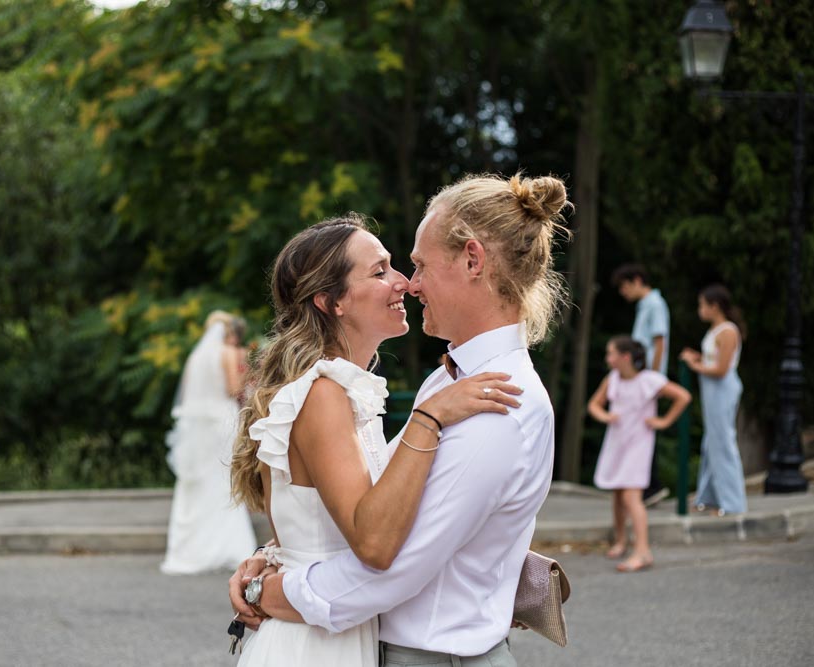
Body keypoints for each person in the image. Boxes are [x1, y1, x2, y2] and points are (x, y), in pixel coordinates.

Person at [231, 173, 571, 667]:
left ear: (473, 260)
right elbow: (368, 501)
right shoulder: (449, 385)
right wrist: (278, 554)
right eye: (388, 270)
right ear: (334, 303)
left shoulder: (499, 402)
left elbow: (390, 567)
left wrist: (266, 592)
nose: (409, 285)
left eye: (417, 266)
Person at [160, 310, 257, 575]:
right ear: (228, 332)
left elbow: (189, 396)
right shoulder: (227, 353)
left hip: (198, 428)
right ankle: (227, 545)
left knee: (198, 483)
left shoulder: (194, 357)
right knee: (224, 477)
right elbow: (233, 389)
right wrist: (251, 386)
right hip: (221, 423)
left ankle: (188, 549)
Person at [588, 336, 691, 573]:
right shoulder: (612, 379)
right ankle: (621, 540)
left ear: (625, 357)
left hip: (639, 442)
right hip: (617, 441)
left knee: (631, 496)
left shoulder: (649, 380)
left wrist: (664, 421)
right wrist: (605, 416)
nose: (607, 359)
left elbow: (683, 396)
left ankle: (643, 550)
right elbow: (595, 404)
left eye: (611, 353)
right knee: (617, 492)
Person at [679, 284, 748, 516]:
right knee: (711, 443)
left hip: (722, 390)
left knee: (724, 443)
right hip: (711, 391)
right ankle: (708, 497)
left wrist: (693, 365)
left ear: (714, 306)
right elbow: (712, 359)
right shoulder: (715, 330)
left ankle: (733, 502)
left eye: (702, 305)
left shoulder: (728, 331)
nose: (700, 310)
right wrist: (697, 357)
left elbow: (721, 369)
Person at [612, 263, 671, 507]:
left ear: (637, 280)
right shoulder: (646, 305)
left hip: (646, 378)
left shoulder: (654, 305)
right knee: (639, 429)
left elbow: (659, 342)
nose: (623, 292)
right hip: (642, 376)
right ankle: (645, 486)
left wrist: (652, 377)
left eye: (625, 286)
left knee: (644, 430)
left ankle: (650, 486)